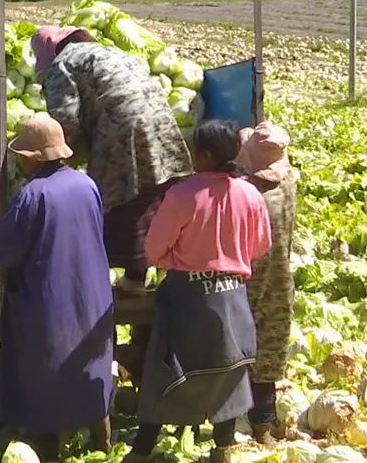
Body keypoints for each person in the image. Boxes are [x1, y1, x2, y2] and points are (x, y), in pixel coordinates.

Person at [0, 113, 114, 460]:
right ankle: (102, 442)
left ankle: (48, 449)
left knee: (46, 382)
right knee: (88, 371)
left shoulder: (33, 194)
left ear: (29, 158)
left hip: (49, 307)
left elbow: (2, 251)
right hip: (91, 299)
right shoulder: (87, 185)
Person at [127, 120, 272, 463]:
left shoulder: (181, 196)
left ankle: (142, 449)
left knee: (165, 369)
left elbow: (152, 250)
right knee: (229, 368)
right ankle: (223, 447)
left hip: (188, 296)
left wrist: (175, 258)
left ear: (204, 155)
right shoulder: (250, 193)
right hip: (234, 294)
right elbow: (261, 245)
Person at [31, 26, 193, 296]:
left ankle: (106, 281)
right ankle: (140, 277)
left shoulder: (62, 65)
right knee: (151, 195)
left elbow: (65, 120)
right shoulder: (109, 53)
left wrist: (53, 162)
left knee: (119, 201)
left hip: (122, 130)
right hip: (160, 123)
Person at [237, 122, 297, 445]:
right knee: (270, 353)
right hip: (281, 277)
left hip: (249, 283)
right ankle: (264, 424)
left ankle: (251, 424)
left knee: (243, 351)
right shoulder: (288, 184)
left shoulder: (250, 195)